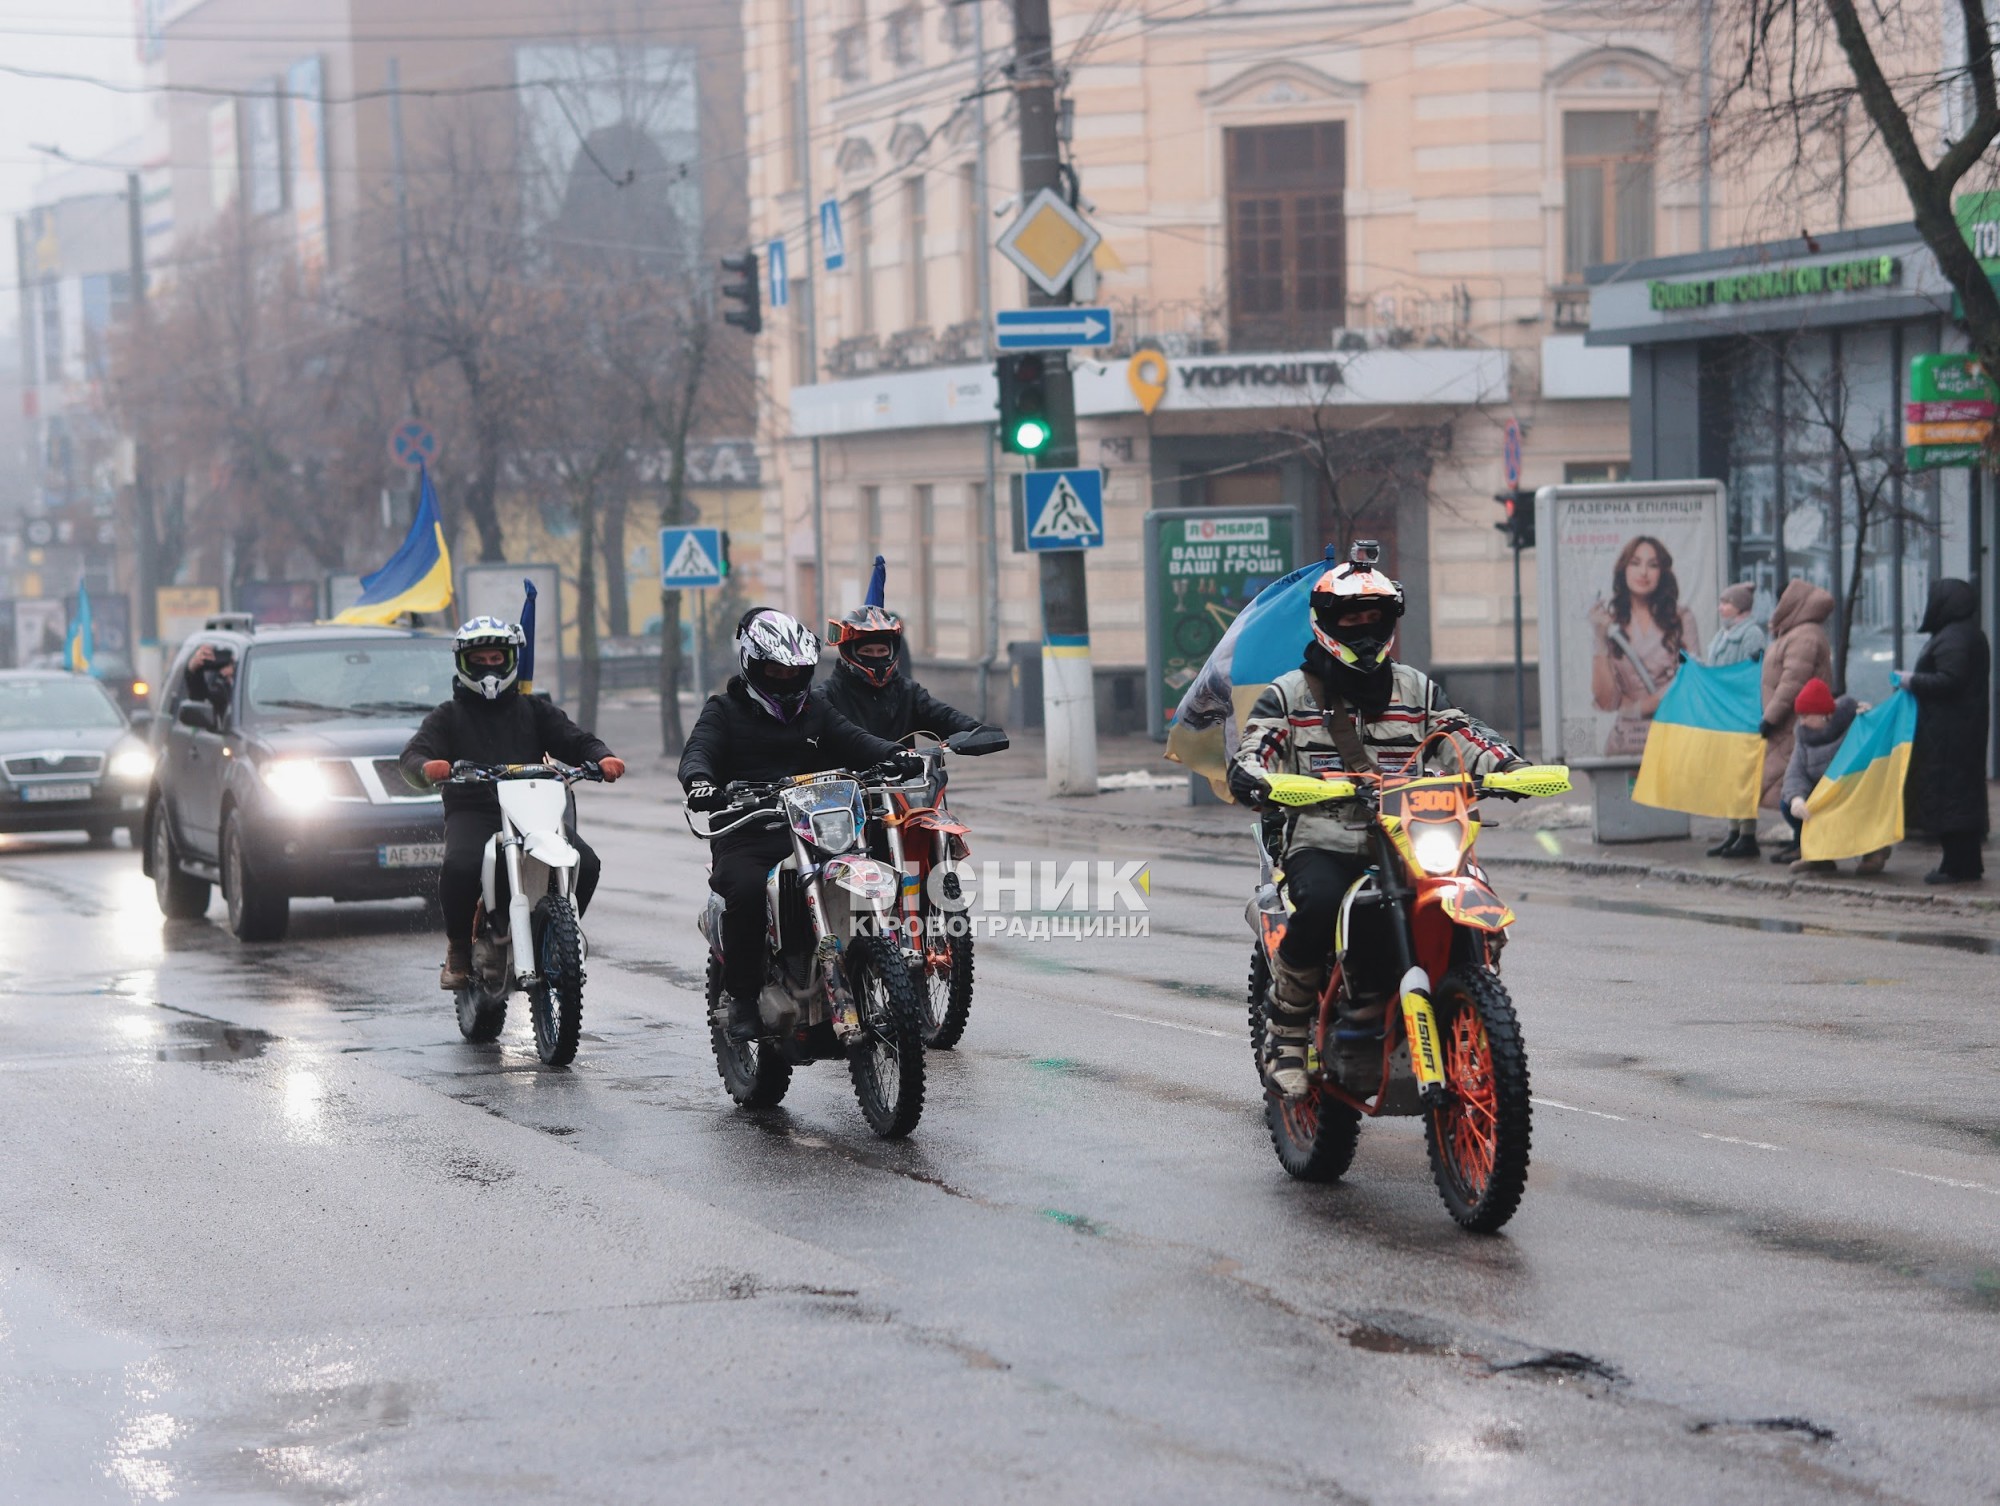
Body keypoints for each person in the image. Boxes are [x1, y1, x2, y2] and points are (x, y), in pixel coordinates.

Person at [1228, 545, 1524, 1098]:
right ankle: (1287, 1032)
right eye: (1351, 619)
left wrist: (1509, 766)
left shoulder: (1416, 688)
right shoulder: (1289, 694)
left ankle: (1470, 1006)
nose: (1364, 630)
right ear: (1326, 623)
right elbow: (1255, 750)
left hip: (1414, 833)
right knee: (1320, 904)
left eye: (1375, 617)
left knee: (1475, 897)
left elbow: (1461, 733)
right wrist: (1256, 777)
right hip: (1325, 834)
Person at [679, 608, 914, 1042]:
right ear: (753, 665)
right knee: (747, 890)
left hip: (816, 829)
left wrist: (895, 754)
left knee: (870, 864)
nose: (787, 680)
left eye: (796, 672)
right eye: (776, 671)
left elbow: (854, 739)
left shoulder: (816, 708)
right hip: (750, 831)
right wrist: (700, 783)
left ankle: (870, 964)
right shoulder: (723, 711)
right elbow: (699, 752)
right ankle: (744, 998)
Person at [401, 618, 625, 989]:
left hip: (533, 811)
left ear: (510, 661)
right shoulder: (447, 715)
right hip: (474, 809)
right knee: (460, 866)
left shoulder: (534, 710)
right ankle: (459, 948)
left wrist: (602, 756)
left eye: (496, 658)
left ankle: (557, 937)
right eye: (479, 660)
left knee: (585, 863)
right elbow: (413, 755)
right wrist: (427, 768)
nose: (489, 667)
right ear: (463, 663)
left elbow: (574, 739)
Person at [818, 558, 1001, 747]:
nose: (876, 656)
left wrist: (977, 732)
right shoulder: (827, 697)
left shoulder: (906, 693)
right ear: (849, 653)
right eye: (867, 651)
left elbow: (943, 716)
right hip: (851, 767)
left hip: (905, 768)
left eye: (882, 650)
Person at [1895, 579, 1990, 884]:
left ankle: (1955, 868)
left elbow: (1950, 680)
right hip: (1960, 730)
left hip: (1948, 734)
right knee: (1963, 798)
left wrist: (1910, 680)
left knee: (1950, 799)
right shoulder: (1968, 634)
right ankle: (1966, 865)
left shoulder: (1953, 638)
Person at [1589, 535, 1702, 756]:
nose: (1643, 572)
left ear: (1662, 573)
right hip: (1625, 743)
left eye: (1652, 565)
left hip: (1671, 739)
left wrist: (1642, 706)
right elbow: (1606, 701)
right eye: (1635, 563)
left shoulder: (1681, 618)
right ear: (1624, 569)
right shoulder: (1610, 623)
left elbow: (1691, 677)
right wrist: (1599, 639)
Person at [1758, 579, 1835, 863]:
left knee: (1794, 788)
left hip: (1795, 723)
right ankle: (1801, 842)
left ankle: (1808, 845)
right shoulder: (1796, 632)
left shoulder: (1804, 636)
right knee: (1791, 787)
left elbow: (1792, 682)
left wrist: (1770, 717)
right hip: (1790, 723)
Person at [1781, 677, 1889, 876]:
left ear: (1825, 714)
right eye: (1800, 716)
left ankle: (1874, 850)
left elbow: (1879, 742)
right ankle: (1818, 856)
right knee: (1787, 805)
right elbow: (1795, 773)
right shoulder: (1803, 737)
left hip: (1853, 792)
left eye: (1806, 715)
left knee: (1866, 802)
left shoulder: (1854, 722)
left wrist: (1871, 718)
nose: (1801, 721)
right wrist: (1796, 799)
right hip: (1824, 796)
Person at [1705, 583, 1768, 858]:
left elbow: (1751, 677)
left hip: (1741, 717)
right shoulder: (1723, 634)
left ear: (1740, 607)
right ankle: (1733, 832)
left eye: (1726, 603)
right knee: (1728, 776)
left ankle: (1747, 834)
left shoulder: (1752, 635)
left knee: (1743, 776)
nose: (1721, 608)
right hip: (1723, 717)